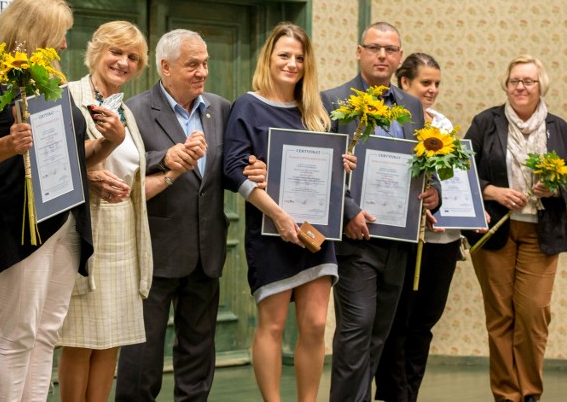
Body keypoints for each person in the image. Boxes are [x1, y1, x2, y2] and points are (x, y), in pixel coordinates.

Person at [0, 0, 124, 401]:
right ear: (37, 31)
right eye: (61, 33)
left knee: (47, 332)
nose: (66, 44)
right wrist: (8, 145)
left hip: (65, 218)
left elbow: (73, 159)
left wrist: (110, 142)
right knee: (17, 334)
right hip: (17, 220)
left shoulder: (54, 83)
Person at [114, 28, 266, 402]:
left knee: (198, 356)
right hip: (154, 252)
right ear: (165, 67)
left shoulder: (220, 107)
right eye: (192, 64)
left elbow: (229, 168)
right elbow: (122, 169)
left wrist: (254, 170)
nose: (202, 72)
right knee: (142, 358)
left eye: (205, 64)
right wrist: (164, 159)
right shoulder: (134, 110)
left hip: (206, 250)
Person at [223, 22, 354, 402]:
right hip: (270, 232)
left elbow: (324, 179)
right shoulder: (247, 105)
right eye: (284, 55)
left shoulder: (316, 110)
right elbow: (232, 169)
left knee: (314, 325)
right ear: (269, 57)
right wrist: (278, 215)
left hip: (315, 233)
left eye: (299, 57)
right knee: (274, 325)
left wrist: (339, 167)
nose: (292, 63)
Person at [320, 22, 441, 402]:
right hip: (357, 239)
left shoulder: (411, 107)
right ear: (359, 52)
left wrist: (432, 192)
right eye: (375, 48)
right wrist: (349, 211)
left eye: (390, 50)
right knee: (356, 332)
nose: (383, 56)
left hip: (400, 242)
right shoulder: (333, 101)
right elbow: (323, 169)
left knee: (378, 337)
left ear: (399, 58)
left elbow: (426, 163)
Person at [464, 55, 567, 402]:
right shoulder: (485, 122)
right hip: (495, 232)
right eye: (515, 80)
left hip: (542, 234)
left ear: (540, 86)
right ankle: (507, 395)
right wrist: (492, 191)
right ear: (506, 85)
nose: (521, 87)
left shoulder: (559, 129)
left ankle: (530, 392)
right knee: (500, 316)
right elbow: (460, 170)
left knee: (533, 315)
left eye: (528, 81)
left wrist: (555, 188)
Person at [57, 21, 153, 402]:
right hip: (83, 229)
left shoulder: (124, 110)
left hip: (123, 233)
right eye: (116, 52)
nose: (123, 62)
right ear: (96, 51)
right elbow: (53, 161)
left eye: (132, 57)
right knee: (80, 338)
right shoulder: (68, 95)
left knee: (111, 337)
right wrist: (90, 175)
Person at [374, 53, 461, 402]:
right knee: (397, 324)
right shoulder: (391, 121)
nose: (433, 90)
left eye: (437, 83)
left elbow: (455, 180)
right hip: (403, 239)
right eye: (426, 83)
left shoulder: (444, 125)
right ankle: (394, 394)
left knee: (424, 324)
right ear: (404, 83)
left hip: (443, 240)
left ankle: (411, 393)